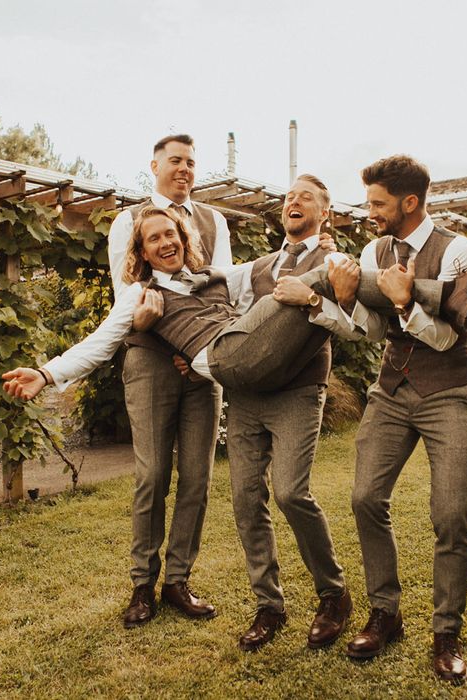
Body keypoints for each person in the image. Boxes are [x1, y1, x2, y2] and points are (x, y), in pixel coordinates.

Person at [334, 155, 467, 685]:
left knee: (451, 514)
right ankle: (385, 615)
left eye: (377, 202)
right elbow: (372, 331)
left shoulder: (458, 249)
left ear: (409, 202)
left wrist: (405, 304)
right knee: (365, 498)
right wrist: (353, 302)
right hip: (391, 389)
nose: (369, 211)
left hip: (447, 391)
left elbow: (451, 335)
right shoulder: (375, 249)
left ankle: (446, 633)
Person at [222, 174, 354, 652]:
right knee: (244, 498)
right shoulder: (256, 268)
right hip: (247, 397)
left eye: (307, 197)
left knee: (292, 493)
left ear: (325, 214)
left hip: (299, 389)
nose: (293, 202)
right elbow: (229, 318)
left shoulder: (336, 262)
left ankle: (333, 594)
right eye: (289, 197)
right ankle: (269, 606)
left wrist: (315, 298)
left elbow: (352, 323)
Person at [106, 134, 233, 628]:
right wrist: (175, 344)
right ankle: (142, 584)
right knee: (153, 475)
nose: (184, 169)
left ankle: (178, 580)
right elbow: (126, 294)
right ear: (155, 165)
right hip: (150, 359)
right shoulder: (128, 219)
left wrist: (201, 350)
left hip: (203, 364)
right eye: (175, 161)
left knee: (197, 479)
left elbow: (217, 283)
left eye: (191, 163)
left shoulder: (213, 220)